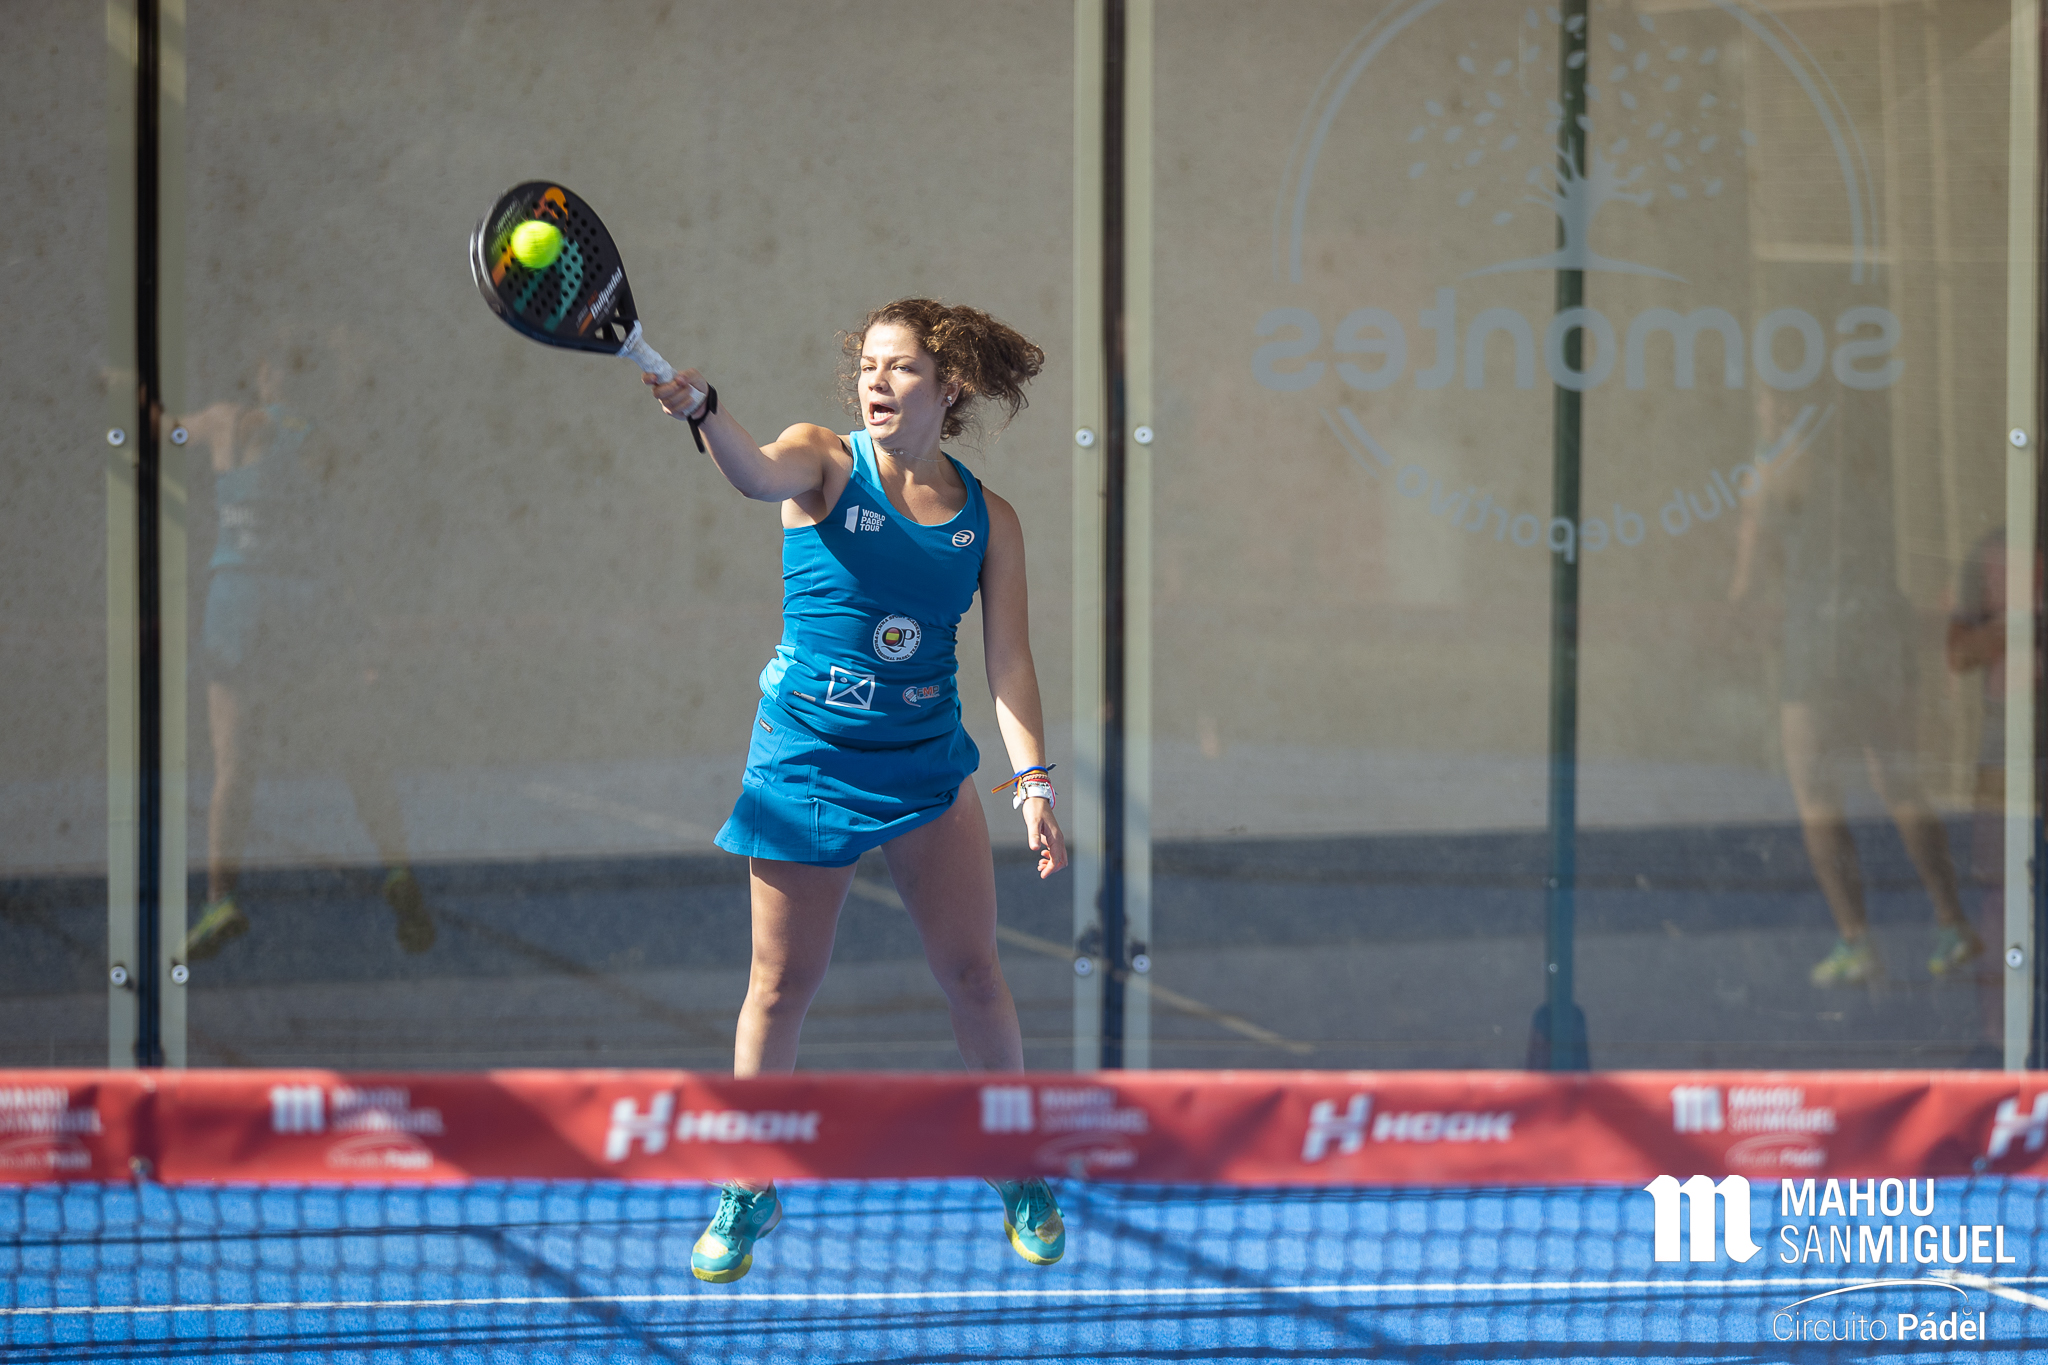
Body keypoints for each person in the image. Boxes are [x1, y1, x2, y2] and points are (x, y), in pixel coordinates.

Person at [645, 299, 1069, 1284]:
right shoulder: (824, 461)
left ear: (948, 386)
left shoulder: (989, 520)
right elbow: (756, 474)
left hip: (926, 764)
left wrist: (1032, 782)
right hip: (806, 761)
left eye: (901, 367)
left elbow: (1008, 661)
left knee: (975, 976)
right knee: (779, 984)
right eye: (868, 365)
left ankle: (1011, 1159)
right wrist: (706, 411)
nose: (876, 381)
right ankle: (749, 1181)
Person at [180, 344, 434, 964]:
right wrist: (360, 630)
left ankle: (220, 899)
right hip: (307, 605)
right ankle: (397, 868)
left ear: (264, 376)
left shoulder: (224, 422)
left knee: (233, 764)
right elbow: (346, 541)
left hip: (239, 606)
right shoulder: (326, 446)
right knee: (359, 752)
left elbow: (165, 429)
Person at [1729, 392, 1979, 987]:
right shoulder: (1868, 461)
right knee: (1900, 781)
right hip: (1882, 624)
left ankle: (1855, 939)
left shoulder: (1773, 466)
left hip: (1821, 635)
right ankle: (1951, 922)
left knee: (1816, 793)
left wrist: (1738, 605)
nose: (1766, 410)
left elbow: (1749, 576)